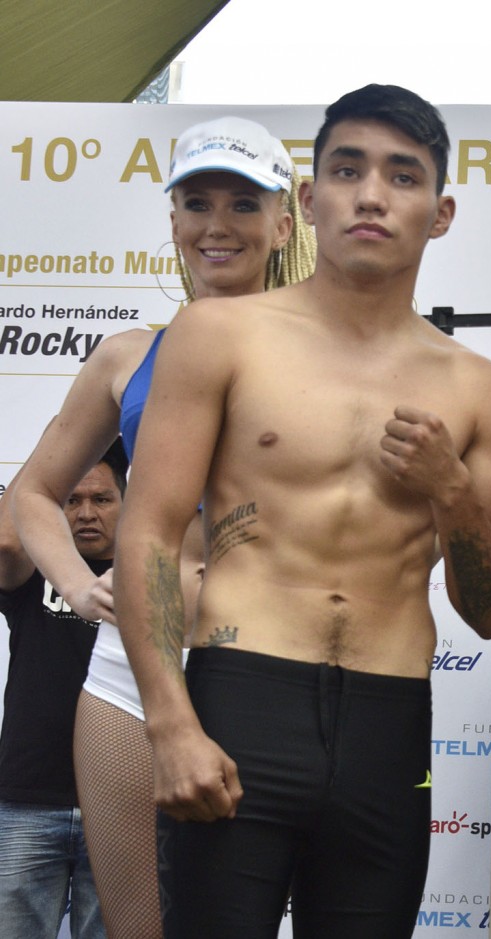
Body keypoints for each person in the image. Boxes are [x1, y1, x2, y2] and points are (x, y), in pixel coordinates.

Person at [112, 84, 491, 939]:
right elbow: (148, 531)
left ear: (441, 212)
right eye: (347, 170)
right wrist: (171, 723)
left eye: (402, 176)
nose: (372, 195)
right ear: (308, 199)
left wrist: (452, 491)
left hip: (389, 721)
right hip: (241, 697)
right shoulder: (220, 335)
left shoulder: (479, 387)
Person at [13, 116, 316, 939]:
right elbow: (33, 493)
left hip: (276, 664)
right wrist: (78, 586)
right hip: (132, 670)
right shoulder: (127, 356)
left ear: (284, 222)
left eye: (243, 204)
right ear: (174, 220)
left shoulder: (331, 356)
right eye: (197, 203)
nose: (218, 225)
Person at [0, 442, 127, 939]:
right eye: (71, 500)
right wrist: (70, 433)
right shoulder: (33, 572)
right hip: (27, 800)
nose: (86, 513)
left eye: (102, 499)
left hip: (122, 805)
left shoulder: (156, 578)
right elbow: (7, 541)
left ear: (128, 502)